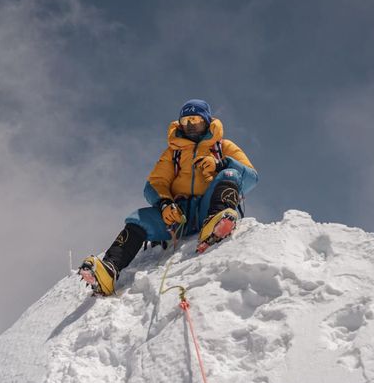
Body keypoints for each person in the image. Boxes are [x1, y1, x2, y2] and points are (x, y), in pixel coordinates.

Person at [79, 99, 259, 296]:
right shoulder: (174, 152)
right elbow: (155, 183)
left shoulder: (223, 146)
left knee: (230, 174)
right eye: (186, 122)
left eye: (196, 120)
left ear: (207, 122)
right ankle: (109, 269)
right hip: (178, 216)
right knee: (138, 219)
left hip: (210, 207)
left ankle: (217, 221)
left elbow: (250, 177)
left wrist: (221, 164)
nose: (191, 126)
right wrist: (165, 203)